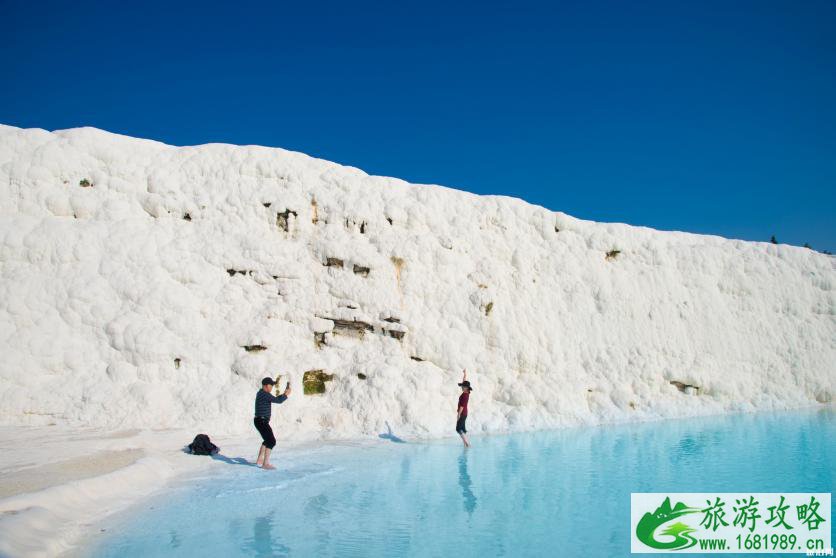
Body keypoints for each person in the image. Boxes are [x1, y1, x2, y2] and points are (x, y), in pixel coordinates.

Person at [254, 377, 291, 470]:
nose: (272, 387)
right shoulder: (264, 394)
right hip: (261, 421)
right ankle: (265, 463)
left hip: (260, 421)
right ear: (266, 386)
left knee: (267, 440)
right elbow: (278, 401)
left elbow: (274, 399)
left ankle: (259, 460)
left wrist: (284, 394)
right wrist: (286, 395)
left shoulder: (262, 393)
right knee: (271, 441)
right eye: (271, 385)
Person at [456, 369, 472, 447]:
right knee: (462, 428)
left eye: (463, 386)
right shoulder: (467, 392)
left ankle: (467, 443)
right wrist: (465, 374)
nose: (461, 387)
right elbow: (464, 382)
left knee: (458, 429)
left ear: (466, 388)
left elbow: (462, 406)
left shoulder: (465, 395)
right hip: (465, 413)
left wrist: (458, 414)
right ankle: (465, 444)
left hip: (462, 413)